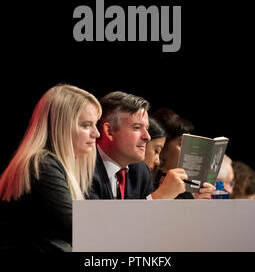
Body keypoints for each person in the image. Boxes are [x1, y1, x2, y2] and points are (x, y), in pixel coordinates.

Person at [0, 84, 101, 252]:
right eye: (86, 125)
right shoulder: (42, 164)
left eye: (95, 124)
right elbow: (80, 231)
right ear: (60, 127)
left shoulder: (51, 163)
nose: (96, 133)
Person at [89, 91, 189, 200]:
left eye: (146, 128)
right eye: (137, 127)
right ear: (109, 131)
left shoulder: (140, 171)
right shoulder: (83, 169)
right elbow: (97, 217)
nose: (147, 137)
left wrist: (198, 201)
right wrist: (160, 197)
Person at [151, 107, 215, 199]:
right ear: (163, 145)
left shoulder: (184, 190)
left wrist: (199, 202)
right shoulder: (144, 184)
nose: (188, 151)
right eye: (181, 144)